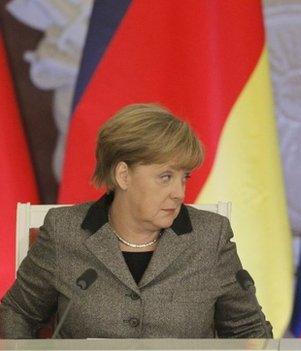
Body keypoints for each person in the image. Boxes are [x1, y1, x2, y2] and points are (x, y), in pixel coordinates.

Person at [0, 103, 272, 338]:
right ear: (123, 176)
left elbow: (248, 330)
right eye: (165, 177)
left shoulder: (209, 237)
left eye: (184, 177)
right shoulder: (65, 231)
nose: (179, 193)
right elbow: (17, 312)